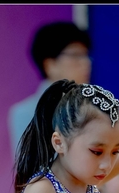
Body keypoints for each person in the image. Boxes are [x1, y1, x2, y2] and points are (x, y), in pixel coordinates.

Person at [8, 21, 92, 156]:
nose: (86, 62)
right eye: (76, 55)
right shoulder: (27, 112)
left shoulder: (96, 106)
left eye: (86, 55)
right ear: (50, 65)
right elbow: (31, 164)